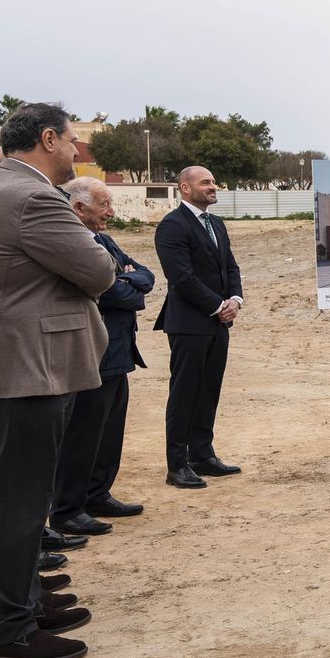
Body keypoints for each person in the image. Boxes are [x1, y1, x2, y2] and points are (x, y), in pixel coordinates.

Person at [0, 102, 113, 658]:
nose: (75, 153)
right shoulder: (34, 196)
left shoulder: (4, 190)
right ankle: (11, 631)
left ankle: (28, 602)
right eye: (72, 143)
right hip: (23, 370)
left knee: (19, 496)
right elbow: (98, 271)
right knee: (17, 505)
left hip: (17, 366)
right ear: (48, 139)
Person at [50, 178, 153, 534]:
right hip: (92, 355)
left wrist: (126, 282)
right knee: (83, 435)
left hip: (119, 352)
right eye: (104, 204)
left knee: (109, 433)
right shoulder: (70, 243)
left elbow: (147, 277)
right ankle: (68, 508)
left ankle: (98, 493)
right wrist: (125, 285)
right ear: (79, 208)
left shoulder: (104, 240)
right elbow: (108, 292)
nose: (111, 211)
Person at [154, 166, 244, 489]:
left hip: (219, 324)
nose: (213, 186)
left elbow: (230, 266)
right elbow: (181, 277)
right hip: (189, 325)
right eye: (206, 182)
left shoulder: (216, 224)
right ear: (185, 188)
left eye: (213, 181)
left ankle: (202, 455)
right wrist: (217, 305)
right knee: (185, 394)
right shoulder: (172, 226)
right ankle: (177, 465)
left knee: (208, 390)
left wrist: (235, 299)